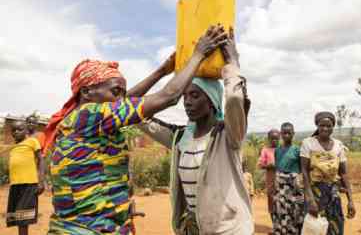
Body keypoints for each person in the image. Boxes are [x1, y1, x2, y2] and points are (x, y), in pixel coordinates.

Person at [43, 25, 227, 235]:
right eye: (115, 91)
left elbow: (126, 101)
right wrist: (199, 54)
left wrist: (162, 70)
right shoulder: (89, 115)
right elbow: (169, 96)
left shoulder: (90, 119)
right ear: (87, 91)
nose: (121, 99)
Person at [137, 27, 254, 234]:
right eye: (185, 97)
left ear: (212, 101)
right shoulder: (179, 137)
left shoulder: (227, 135)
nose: (187, 102)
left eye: (195, 96)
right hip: (194, 229)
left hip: (228, 229)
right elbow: (132, 110)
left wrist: (232, 63)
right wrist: (161, 71)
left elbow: (235, 98)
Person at [300, 112, 356, 235]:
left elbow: (343, 173)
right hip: (315, 192)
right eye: (322, 125)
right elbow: (304, 171)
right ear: (317, 126)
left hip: (333, 194)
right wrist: (310, 199)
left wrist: (350, 200)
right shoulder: (308, 143)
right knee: (315, 228)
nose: (325, 128)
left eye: (329, 126)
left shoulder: (338, 145)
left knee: (335, 226)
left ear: (333, 127)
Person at [6, 121, 45, 235]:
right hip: (15, 185)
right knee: (17, 217)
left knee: (24, 218)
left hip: (28, 184)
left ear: (26, 131)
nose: (16, 132)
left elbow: (41, 160)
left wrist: (41, 181)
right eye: (14, 130)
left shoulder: (32, 141)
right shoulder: (13, 147)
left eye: (20, 129)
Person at [272, 122, 304, 235]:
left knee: (295, 210)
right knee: (280, 209)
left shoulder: (297, 150)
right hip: (280, 183)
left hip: (293, 184)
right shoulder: (277, 150)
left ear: (293, 134)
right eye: (284, 133)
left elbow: (302, 169)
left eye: (289, 133)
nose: (286, 136)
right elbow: (277, 167)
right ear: (281, 134)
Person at [258, 129, 279, 224]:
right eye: (272, 139)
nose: (274, 140)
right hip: (271, 180)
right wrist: (269, 166)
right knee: (272, 203)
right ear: (269, 139)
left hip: (283, 181)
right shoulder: (265, 150)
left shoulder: (282, 149)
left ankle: (282, 226)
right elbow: (260, 165)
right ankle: (274, 226)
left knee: (282, 203)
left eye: (276, 138)